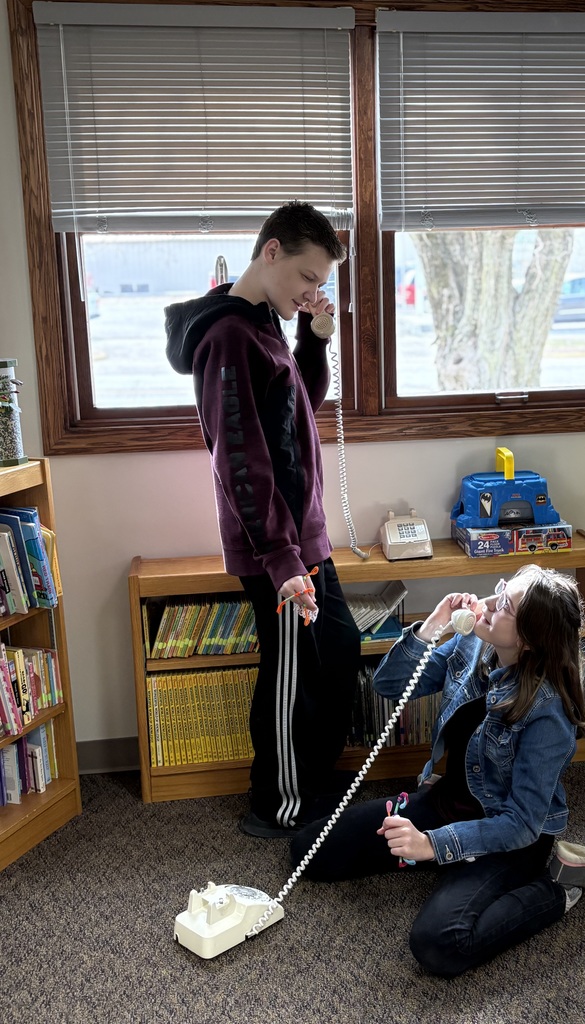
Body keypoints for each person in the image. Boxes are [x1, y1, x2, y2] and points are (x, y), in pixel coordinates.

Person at [289, 564, 585, 977]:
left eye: (505, 605)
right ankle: (446, 860)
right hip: (446, 805)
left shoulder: (548, 713)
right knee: (310, 850)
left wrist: (431, 845)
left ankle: (558, 888)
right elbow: (388, 685)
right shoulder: (470, 642)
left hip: (510, 837)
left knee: (440, 943)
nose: (489, 604)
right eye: (498, 590)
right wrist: (431, 628)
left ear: (529, 639)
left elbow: (520, 824)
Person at [165, 200, 360, 837]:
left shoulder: (267, 323)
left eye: (321, 284)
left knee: (337, 651)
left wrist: (314, 337)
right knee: (290, 674)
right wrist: (281, 562)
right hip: (273, 545)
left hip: (304, 534)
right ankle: (275, 805)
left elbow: (295, 402)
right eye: (307, 277)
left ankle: (313, 778)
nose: (311, 291)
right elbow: (241, 458)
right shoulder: (227, 335)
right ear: (271, 251)